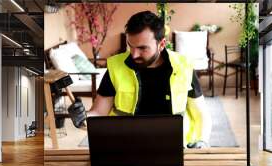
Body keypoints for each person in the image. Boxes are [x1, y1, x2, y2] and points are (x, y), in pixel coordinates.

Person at [80, 10, 212, 148]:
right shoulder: (115, 67)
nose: (134, 54)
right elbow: (99, 112)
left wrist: (202, 140)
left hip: (174, 147)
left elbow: (201, 113)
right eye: (130, 46)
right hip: (126, 148)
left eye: (142, 48)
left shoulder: (184, 66)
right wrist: (83, 118)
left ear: (161, 44)